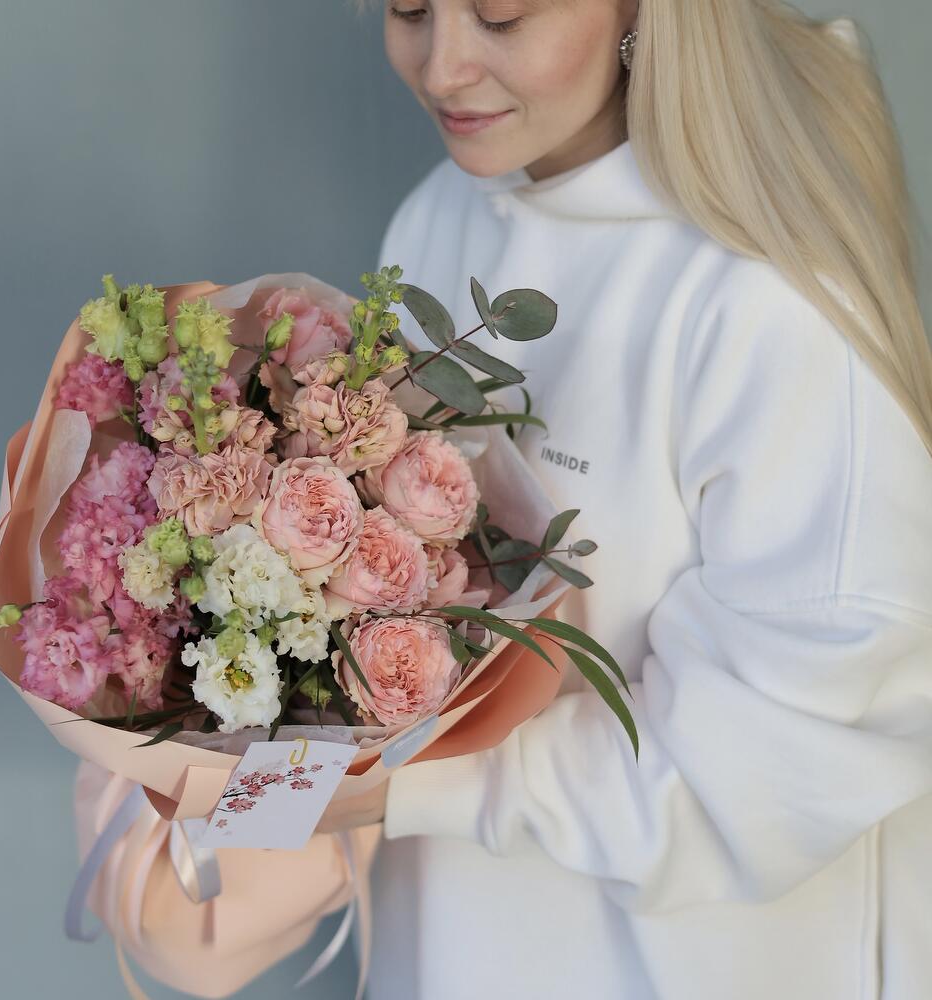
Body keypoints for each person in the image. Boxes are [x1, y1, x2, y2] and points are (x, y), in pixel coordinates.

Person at [315, 1, 932, 998]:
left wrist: (410, 781)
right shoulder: (438, 216)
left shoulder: (768, 300)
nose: (442, 67)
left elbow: (778, 764)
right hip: (454, 946)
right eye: (409, 8)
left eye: (502, 15)